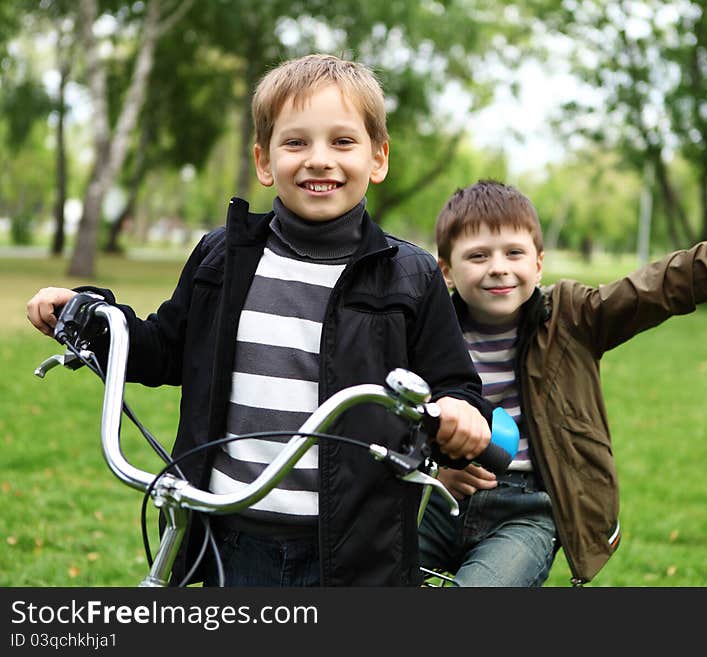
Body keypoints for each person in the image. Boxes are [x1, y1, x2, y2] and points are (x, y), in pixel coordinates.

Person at [25, 54, 493, 587]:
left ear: (378, 158)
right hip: (233, 536)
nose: (319, 160)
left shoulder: (407, 275)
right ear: (264, 161)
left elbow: (455, 384)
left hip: (355, 546)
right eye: (296, 143)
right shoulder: (223, 257)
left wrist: (458, 410)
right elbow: (163, 348)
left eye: (342, 142)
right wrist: (90, 318)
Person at [418, 179, 707, 586]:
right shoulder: (425, 332)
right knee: (363, 572)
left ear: (538, 263)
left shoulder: (573, 316)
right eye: (478, 256)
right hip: (439, 500)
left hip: (527, 511)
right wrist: (435, 470)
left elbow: (658, 286)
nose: (499, 269)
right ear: (446, 270)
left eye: (514, 253)